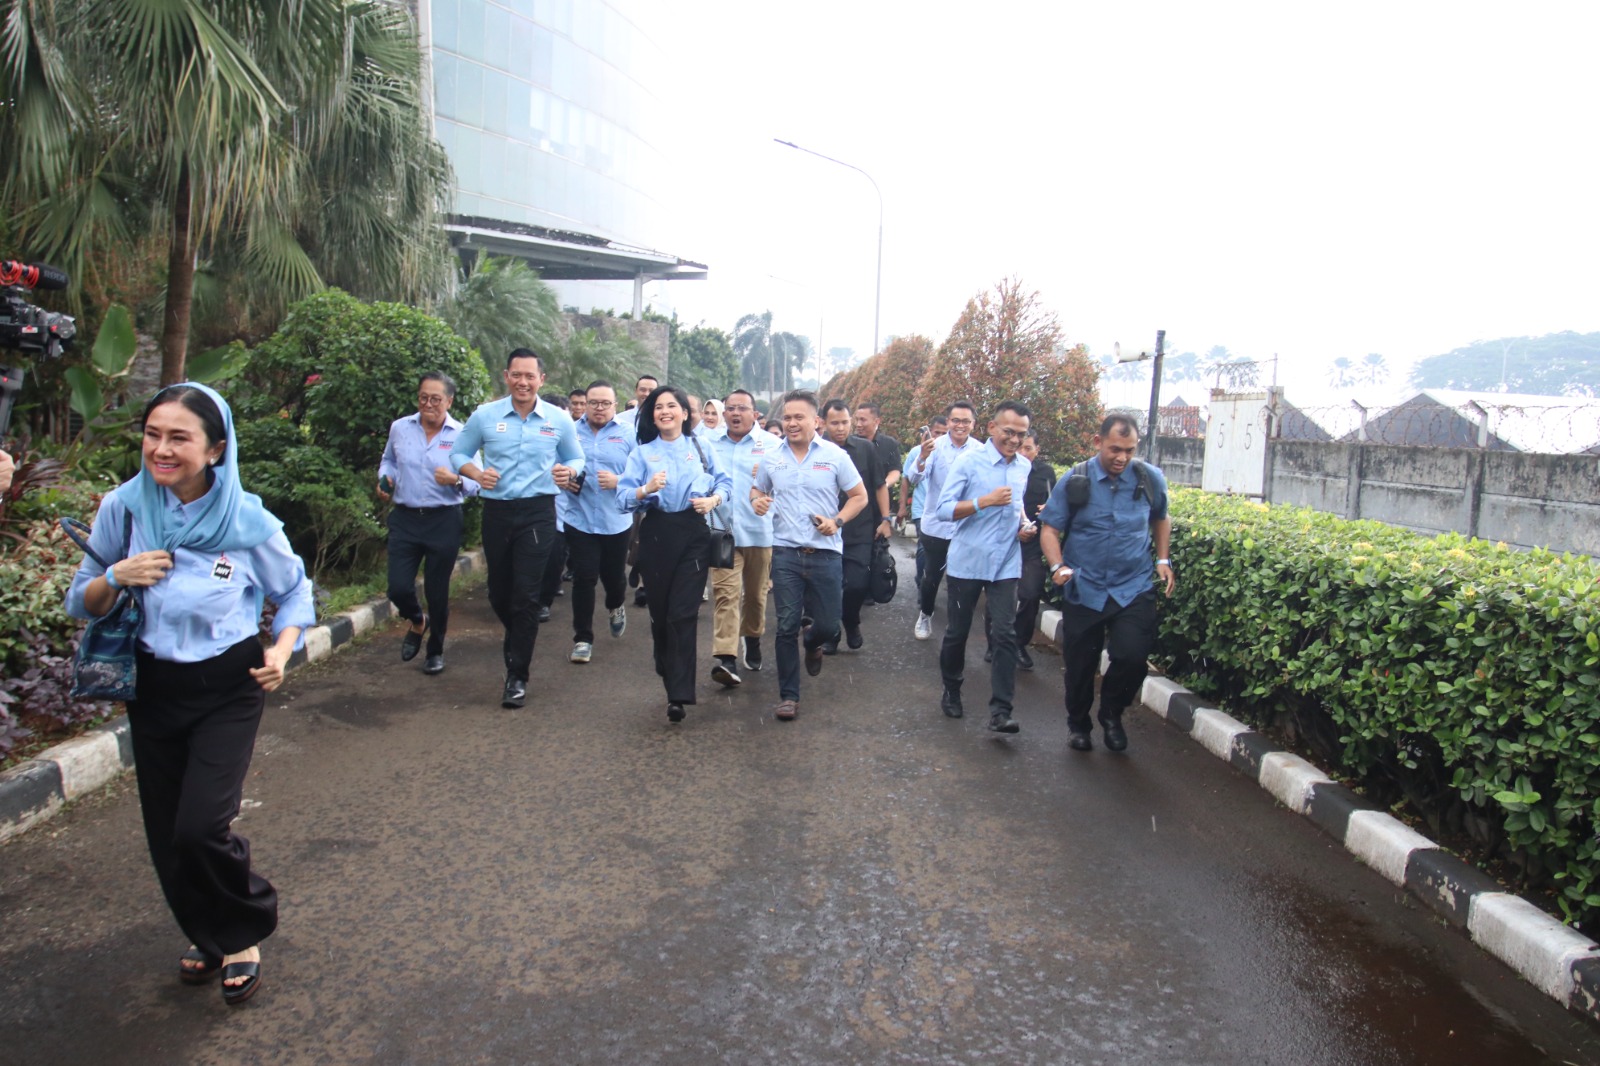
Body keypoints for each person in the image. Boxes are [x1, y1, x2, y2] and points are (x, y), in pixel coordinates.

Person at [65, 383, 315, 1006]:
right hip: (153, 686)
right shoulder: (124, 508)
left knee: (201, 827)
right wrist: (116, 575)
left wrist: (281, 651)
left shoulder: (246, 521)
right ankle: (208, 934)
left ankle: (243, 928)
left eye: (179, 437)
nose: (161, 449)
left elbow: (293, 592)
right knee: (167, 833)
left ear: (216, 449)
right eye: (153, 434)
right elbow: (81, 599)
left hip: (229, 685)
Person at [451, 349, 585, 709]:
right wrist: (477, 473)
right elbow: (458, 454)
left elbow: (576, 456)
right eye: (516, 375)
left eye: (530, 376)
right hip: (497, 511)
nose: (523, 382)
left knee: (526, 596)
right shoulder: (485, 415)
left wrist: (569, 470)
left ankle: (517, 676)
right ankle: (518, 635)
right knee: (499, 593)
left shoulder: (558, 419)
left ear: (541, 379)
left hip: (538, 512)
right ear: (506, 376)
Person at [1038, 414, 1174, 753]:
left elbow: (1161, 517)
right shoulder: (1076, 479)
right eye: (1115, 449)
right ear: (1098, 442)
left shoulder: (1149, 478)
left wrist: (1163, 560)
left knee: (1132, 656)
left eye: (1129, 450)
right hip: (1085, 585)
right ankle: (1078, 724)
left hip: (1134, 585)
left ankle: (1112, 713)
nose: (1122, 458)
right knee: (1080, 664)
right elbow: (1050, 529)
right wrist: (1058, 566)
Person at [616, 384, 731, 722]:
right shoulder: (642, 454)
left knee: (682, 613)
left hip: (694, 532)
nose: (664, 411)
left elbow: (725, 484)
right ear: (653, 416)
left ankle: (678, 694)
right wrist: (645, 489)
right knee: (661, 613)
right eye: (658, 407)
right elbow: (622, 499)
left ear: (684, 413)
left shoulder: (702, 447)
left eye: (671, 406)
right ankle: (664, 658)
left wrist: (713, 500)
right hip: (656, 533)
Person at [751, 391, 867, 721]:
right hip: (785, 553)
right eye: (787, 417)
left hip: (826, 554)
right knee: (786, 626)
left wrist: (837, 521)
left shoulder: (834, 456)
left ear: (815, 421)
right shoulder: (772, 457)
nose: (791, 423)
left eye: (798, 417)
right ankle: (789, 696)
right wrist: (757, 501)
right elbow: (757, 489)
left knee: (829, 626)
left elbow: (859, 496)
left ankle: (814, 642)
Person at [932, 401, 1035, 733]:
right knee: (957, 632)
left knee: (1005, 634)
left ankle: (1001, 711)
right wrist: (984, 502)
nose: (1015, 440)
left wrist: (1024, 525)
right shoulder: (969, 462)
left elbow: (1017, 505)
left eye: (1021, 434)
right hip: (968, 561)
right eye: (1009, 432)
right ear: (992, 428)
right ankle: (951, 689)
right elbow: (944, 510)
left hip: (1006, 562)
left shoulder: (1023, 466)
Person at [376, 371, 479, 675]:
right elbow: (388, 460)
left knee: (437, 591)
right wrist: (386, 478)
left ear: (449, 401)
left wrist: (456, 479)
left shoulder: (462, 435)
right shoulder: (400, 428)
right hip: (405, 518)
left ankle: (435, 651)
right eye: (423, 398)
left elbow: (478, 481)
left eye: (436, 399)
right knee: (397, 587)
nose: (429, 404)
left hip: (443, 520)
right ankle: (418, 621)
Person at [708, 389, 779, 686]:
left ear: (755, 413)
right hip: (720, 532)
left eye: (742, 408)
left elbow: (784, 484)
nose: (736, 413)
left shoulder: (773, 445)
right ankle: (727, 658)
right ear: (724, 413)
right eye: (731, 408)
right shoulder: (709, 444)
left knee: (755, 596)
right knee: (725, 594)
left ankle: (752, 637)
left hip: (759, 532)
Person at [564, 380, 636, 664]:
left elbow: (643, 473)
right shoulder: (571, 431)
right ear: (584, 404)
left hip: (616, 519)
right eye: (593, 402)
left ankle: (616, 604)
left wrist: (620, 481)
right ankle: (582, 638)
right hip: (579, 518)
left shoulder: (629, 434)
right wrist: (564, 480)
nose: (599, 408)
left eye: (605, 403)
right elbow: (554, 465)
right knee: (584, 577)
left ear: (615, 405)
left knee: (613, 577)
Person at [903, 401, 982, 639]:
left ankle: (956, 626)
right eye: (955, 420)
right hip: (936, 525)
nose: (960, 425)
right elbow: (915, 478)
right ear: (948, 422)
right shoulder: (934, 446)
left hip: (967, 526)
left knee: (962, 579)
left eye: (966, 421)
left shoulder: (980, 451)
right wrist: (923, 456)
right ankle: (925, 614)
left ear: (973, 424)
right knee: (931, 577)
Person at [821, 399, 891, 652]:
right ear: (823, 423)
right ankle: (831, 633)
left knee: (857, 584)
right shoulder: (815, 450)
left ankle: (851, 621)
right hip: (824, 532)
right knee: (828, 587)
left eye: (844, 422)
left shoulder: (865, 449)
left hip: (860, 530)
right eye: (834, 423)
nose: (840, 428)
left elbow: (879, 485)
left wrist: (886, 519)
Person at [985, 429, 1056, 670]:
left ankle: (1018, 644)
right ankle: (994, 643)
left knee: (1030, 594)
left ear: (1037, 450)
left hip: (1031, 545)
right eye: (1020, 447)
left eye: (1028, 448)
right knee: (998, 595)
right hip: (1002, 541)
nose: (1023, 453)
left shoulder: (1046, 473)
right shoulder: (1000, 470)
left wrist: (1050, 508)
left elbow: (1056, 503)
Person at [897, 416, 948, 588]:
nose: (939, 437)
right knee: (924, 548)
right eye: (937, 432)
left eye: (944, 433)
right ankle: (922, 582)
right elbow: (906, 479)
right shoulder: (916, 452)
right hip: (922, 509)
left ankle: (932, 582)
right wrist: (902, 506)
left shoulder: (952, 454)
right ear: (929, 432)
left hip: (946, 510)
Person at [537, 392, 572, 624]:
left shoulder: (573, 440)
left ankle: (543, 602)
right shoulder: (534, 439)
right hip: (532, 508)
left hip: (561, 513)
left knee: (553, 559)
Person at [852, 401, 902, 499]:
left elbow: (895, 471)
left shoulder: (889, 444)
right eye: (857, 420)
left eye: (863, 420)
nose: (858, 424)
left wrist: (882, 487)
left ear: (876, 421)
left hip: (880, 501)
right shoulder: (850, 443)